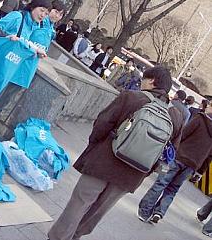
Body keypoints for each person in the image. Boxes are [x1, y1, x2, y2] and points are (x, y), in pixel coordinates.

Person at [48, 66, 173, 240]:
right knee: (98, 211)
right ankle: (76, 236)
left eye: (144, 79)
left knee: (80, 203)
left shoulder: (131, 97)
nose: (141, 83)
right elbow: (167, 154)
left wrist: (94, 147)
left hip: (104, 161)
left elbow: (102, 124)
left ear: (151, 81)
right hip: (132, 174)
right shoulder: (174, 116)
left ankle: (59, 237)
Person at [138, 101, 212, 224]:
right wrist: (199, 172)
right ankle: (159, 212)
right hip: (193, 165)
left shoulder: (200, 118)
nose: (207, 107)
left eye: (209, 105)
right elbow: (210, 155)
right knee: (173, 189)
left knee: (161, 183)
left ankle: (145, 212)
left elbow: (183, 134)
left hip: (179, 157)